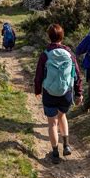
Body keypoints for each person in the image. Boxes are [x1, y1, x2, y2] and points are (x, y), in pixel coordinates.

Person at [34, 24, 83, 164]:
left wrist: (38, 90)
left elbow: (38, 75)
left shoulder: (45, 54)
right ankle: (66, 145)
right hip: (66, 93)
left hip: (49, 93)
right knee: (62, 117)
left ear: (49, 37)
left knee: (52, 123)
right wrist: (79, 93)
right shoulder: (69, 53)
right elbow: (77, 75)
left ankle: (55, 154)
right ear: (62, 36)